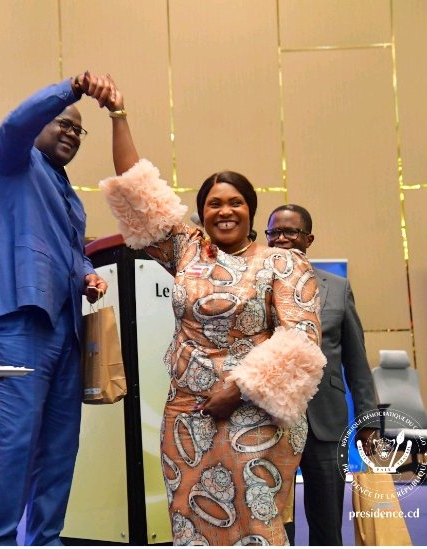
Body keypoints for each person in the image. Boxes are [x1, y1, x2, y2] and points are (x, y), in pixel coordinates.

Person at [98, 78, 327, 545]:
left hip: (258, 417)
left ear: (251, 211)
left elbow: (302, 339)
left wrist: (240, 388)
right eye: (214, 203)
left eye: (235, 202)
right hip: (187, 415)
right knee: (190, 524)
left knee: (256, 525)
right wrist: (118, 115)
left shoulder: (283, 262)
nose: (225, 211)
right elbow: (138, 194)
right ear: (201, 213)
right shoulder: (187, 250)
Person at [0, 72, 111, 545]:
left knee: (61, 446)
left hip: (66, 327)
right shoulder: (15, 161)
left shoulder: (71, 196)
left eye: (78, 130)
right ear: (42, 124)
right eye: (62, 123)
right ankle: (1, 540)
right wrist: (72, 89)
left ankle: (46, 539)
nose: (71, 133)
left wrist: (88, 272)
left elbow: (72, 252)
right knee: (19, 438)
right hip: (18, 318)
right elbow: (14, 125)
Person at [266, 204, 377, 546]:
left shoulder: (337, 288)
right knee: (273, 524)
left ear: (308, 238)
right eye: (274, 233)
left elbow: (356, 361)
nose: (281, 239)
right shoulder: (253, 283)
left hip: (325, 420)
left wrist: (368, 420)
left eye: (290, 232)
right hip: (268, 421)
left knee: (327, 524)